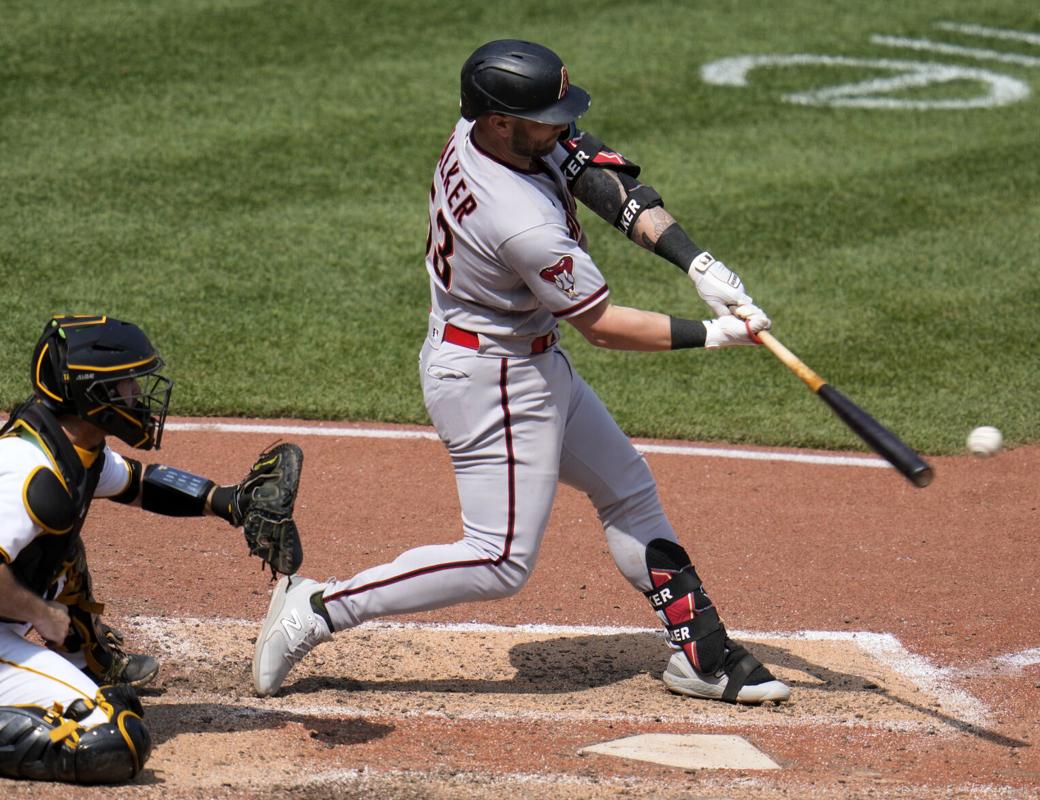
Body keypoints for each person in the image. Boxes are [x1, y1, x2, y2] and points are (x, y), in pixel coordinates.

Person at [253, 39, 790, 705]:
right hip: (492, 380)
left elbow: (597, 171)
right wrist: (713, 334)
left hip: (524, 359)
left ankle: (700, 655)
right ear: (502, 120)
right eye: (546, 118)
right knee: (499, 559)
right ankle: (317, 608)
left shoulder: (487, 134)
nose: (562, 127)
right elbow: (602, 325)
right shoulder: (519, 220)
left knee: (627, 488)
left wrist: (694, 262)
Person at [0, 314, 302, 783]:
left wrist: (227, 502)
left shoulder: (71, 449)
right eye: (127, 384)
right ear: (91, 393)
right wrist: (41, 613)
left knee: (62, 554)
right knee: (109, 740)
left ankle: (85, 665)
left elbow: (139, 483)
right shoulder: (27, 470)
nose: (139, 395)